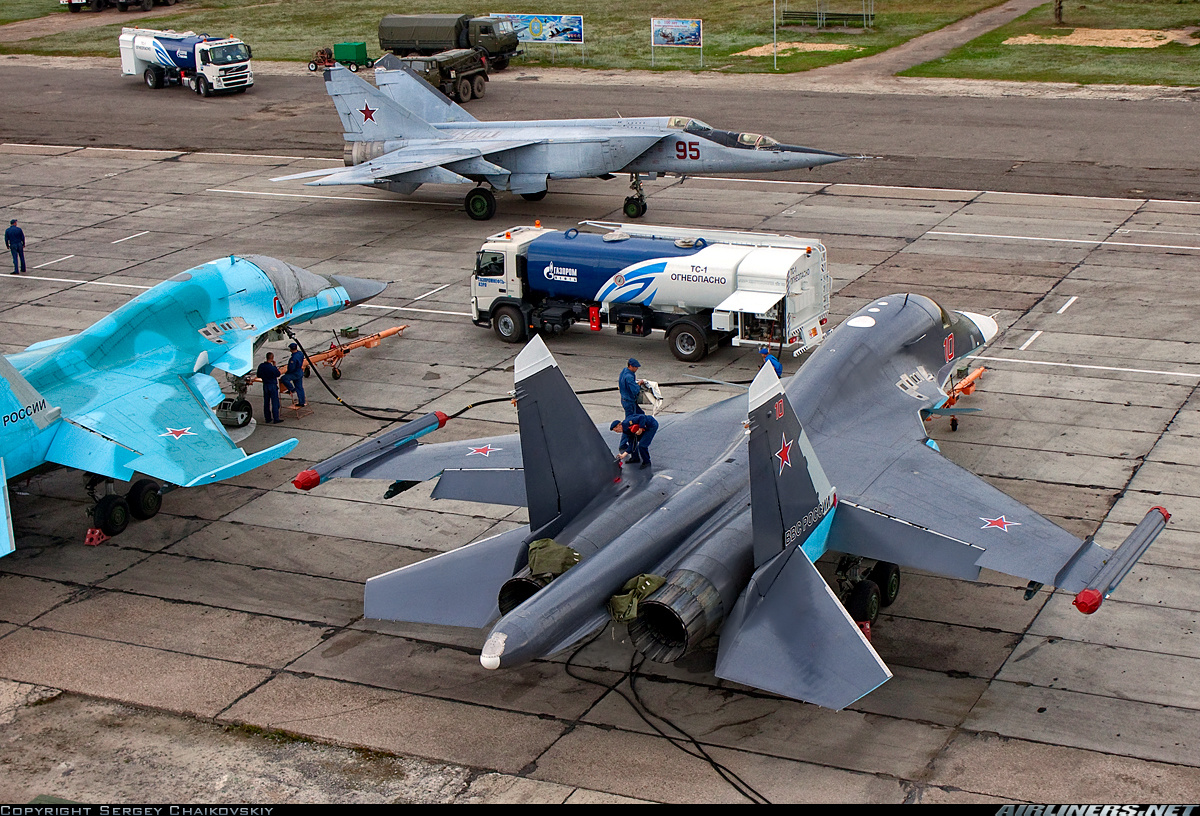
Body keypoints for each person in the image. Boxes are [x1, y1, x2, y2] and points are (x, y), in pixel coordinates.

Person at [256, 352, 283, 424]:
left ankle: (267, 418)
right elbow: (278, 374)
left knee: (266, 402)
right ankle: (276, 418)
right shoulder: (271, 368)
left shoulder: (261, 366)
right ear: (272, 358)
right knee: (274, 402)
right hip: (272, 385)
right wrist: (275, 366)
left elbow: (258, 375)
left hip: (265, 385)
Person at [280, 342, 306, 407]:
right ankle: (302, 402)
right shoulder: (300, 353)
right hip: (299, 372)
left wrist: (287, 372)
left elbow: (291, 368)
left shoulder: (293, 358)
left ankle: (291, 389)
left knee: (284, 378)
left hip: (295, 373)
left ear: (291, 349)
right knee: (300, 388)